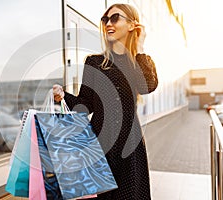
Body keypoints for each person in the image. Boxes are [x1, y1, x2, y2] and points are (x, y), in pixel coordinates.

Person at [53, 3, 158, 200]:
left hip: (130, 146)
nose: (108, 24)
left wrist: (140, 45)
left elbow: (147, 86)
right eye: (105, 20)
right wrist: (63, 95)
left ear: (131, 25)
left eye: (115, 18)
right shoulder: (94, 62)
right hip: (99, 146)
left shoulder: (139, 61)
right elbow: (84, 105)